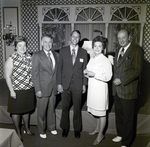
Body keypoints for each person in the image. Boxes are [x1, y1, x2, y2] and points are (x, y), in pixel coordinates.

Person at [112, 29, 143, 147]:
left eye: (123, 37)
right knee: (119, 115)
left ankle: (126, 142)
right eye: (119, 38)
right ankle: (120, 134)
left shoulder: (136, 50)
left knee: (128, 118)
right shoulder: (117, 50)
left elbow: (137, 70)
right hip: (117, 91)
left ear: (129, 37)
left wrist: (122, 80)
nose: (121, 40)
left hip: (128, 90)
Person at [57, 30, 88, 139]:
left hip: (78, 85)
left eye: (77, 37)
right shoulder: (63, 51)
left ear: (79, 39)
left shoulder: (84, 52)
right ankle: (64, 128)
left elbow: (85, 69)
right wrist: (59, 83)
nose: (75, 39)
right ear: (70, 37)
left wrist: (84, 84)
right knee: (65, 107)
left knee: (77, 108)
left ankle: (77, 129)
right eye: (73, 36)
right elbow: (59, 69)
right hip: (65, 84)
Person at [4, 36, 36, 141]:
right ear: (16, 47)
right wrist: (12, 91)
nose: (22, 48)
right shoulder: (11, 58)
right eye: (20, 46)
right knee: (16, 112)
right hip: (16, 90)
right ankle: (18, 132)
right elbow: (7, 76)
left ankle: (27, 129)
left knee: (26, 110)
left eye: (24, 45)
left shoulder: (29, 57)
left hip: (28, 89)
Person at [84, 36, 112, 145]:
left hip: (100, 90)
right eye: (95, 46)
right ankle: (97, 128)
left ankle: (101, 134)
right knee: (95, 111)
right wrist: (86, 72)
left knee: (101, 113)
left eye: (99, 46)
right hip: (93, 89)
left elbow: (108, 76)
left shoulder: (106, 60)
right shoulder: (92, 58)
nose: (97, 48)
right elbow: (89, 71)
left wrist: (94, 74)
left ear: (103, 47)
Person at [32, 34, 58, 139]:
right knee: (42, 111)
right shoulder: (37, 55)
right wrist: (37, 89)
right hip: (42, 88)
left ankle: (51, 127)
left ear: (52, 43)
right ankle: (41, 130)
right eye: (45, 42)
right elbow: (35, 74)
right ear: (42, 43)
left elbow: (56, 72)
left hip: (53, 87)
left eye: (50, 42)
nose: (48, 44)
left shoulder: (56, 54)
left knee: (52, 109)